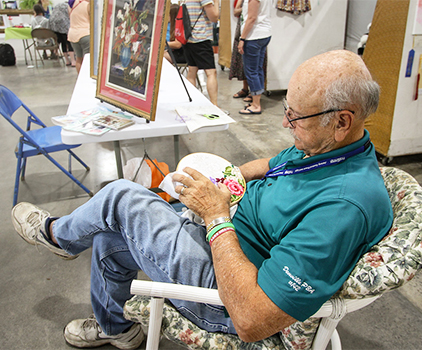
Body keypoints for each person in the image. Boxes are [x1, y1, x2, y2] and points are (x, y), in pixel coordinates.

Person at [11, 50, 393, 350]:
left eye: (294, 117)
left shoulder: (343, 208)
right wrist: (230, 178)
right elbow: (271, 165)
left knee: (121, 198)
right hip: (225, 238)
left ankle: (58, 236)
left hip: (230, 293)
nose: (284, 124)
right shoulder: (325, 146)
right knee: (110, 239)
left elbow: (251, 318)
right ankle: (117, 329)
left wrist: (215, 215)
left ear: (342, 120)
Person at [238, 0, 271, 115]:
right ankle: (256, 101)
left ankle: (256, 105)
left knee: (251, 71)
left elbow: (251, 18)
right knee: (257, 69)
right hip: (264, 34)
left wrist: (242, 39)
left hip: (254, 36)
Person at [184, 0, 220, 106]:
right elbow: (214, 17)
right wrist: (216, 3)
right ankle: (214, 105)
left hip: (188, 38)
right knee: (211, 73)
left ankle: (192, 104)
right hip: (201, 38)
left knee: (191, 72)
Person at [49, 2, 76, 66]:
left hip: (54, 25)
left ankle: (67, 60)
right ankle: (73, 61)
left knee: (63, 43)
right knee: (69, 42)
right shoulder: (68, 6)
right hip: (64, 24)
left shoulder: (58, 5)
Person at [68, 0, 90, 74]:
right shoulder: (88, 5)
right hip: (85, 34)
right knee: (88, 60)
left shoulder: (72, 4)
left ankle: (80, 79)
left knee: (78, 58)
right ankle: (87, 78)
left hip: (72, 35)